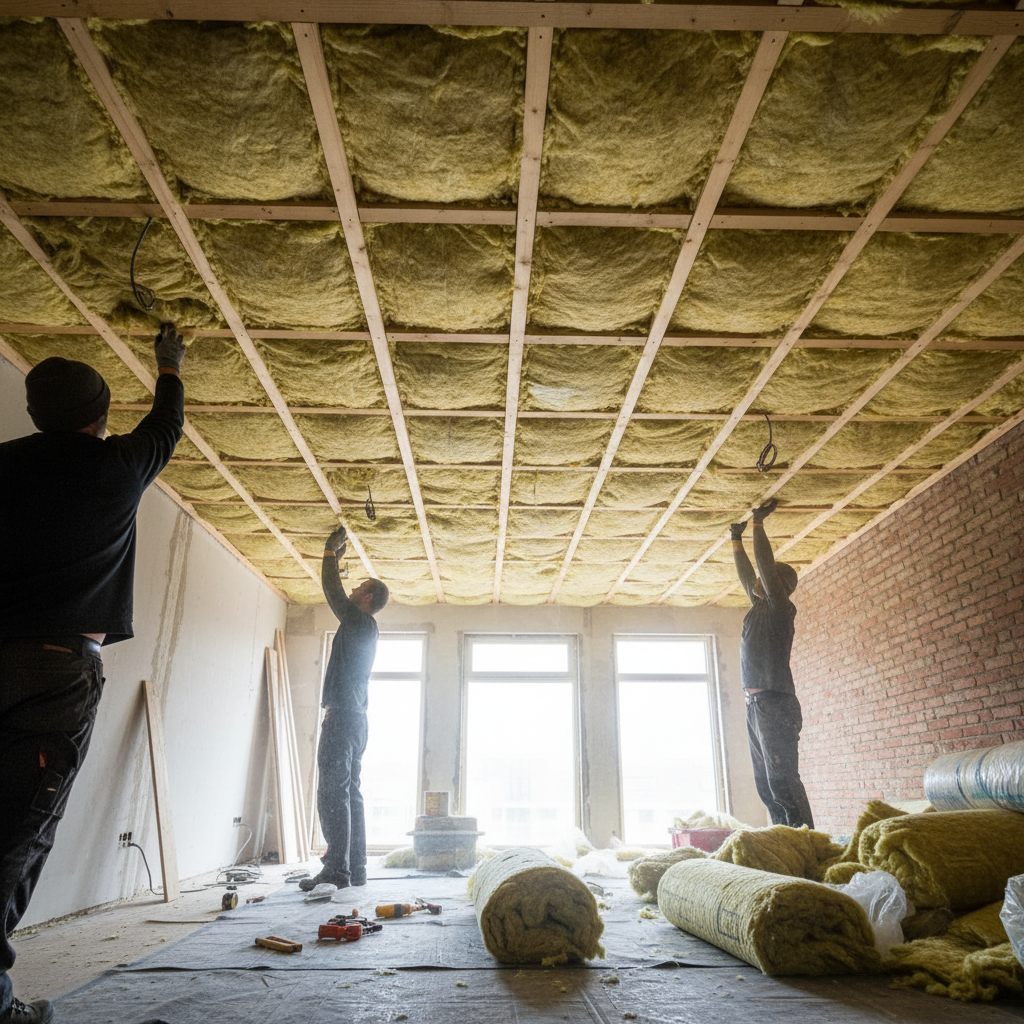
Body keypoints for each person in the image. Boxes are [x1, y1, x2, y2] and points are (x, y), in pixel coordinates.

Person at [0, 324, 187, 1024]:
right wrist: (169, 362)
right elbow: (167, 424)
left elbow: (161, 428)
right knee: (18, 835)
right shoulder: (114, 467)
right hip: (56, 673)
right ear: (101, 414)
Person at [299, 526, 389, 892]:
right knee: (349, 793)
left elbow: (334, 593)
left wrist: (328, 553)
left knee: (332, 794)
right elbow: (341, 594)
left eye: (357, 589)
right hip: (356, 721)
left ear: (366, 596)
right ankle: (355, 868)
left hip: (342, 719)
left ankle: (337, 870)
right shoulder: (366, 628)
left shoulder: (358, 620)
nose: (351, 592)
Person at [730, 498, 814, 830]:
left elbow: (764, 565)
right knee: (766, 785)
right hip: (757, 706)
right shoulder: (761, 606)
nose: (757, 582)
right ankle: (785, 842)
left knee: (782, 782)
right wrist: (736, 540)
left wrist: (758, 523)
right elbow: (749, 575)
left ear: (779, 585)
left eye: (767, 578)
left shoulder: (781, 608)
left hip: (776, 705)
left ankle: (806, 843)